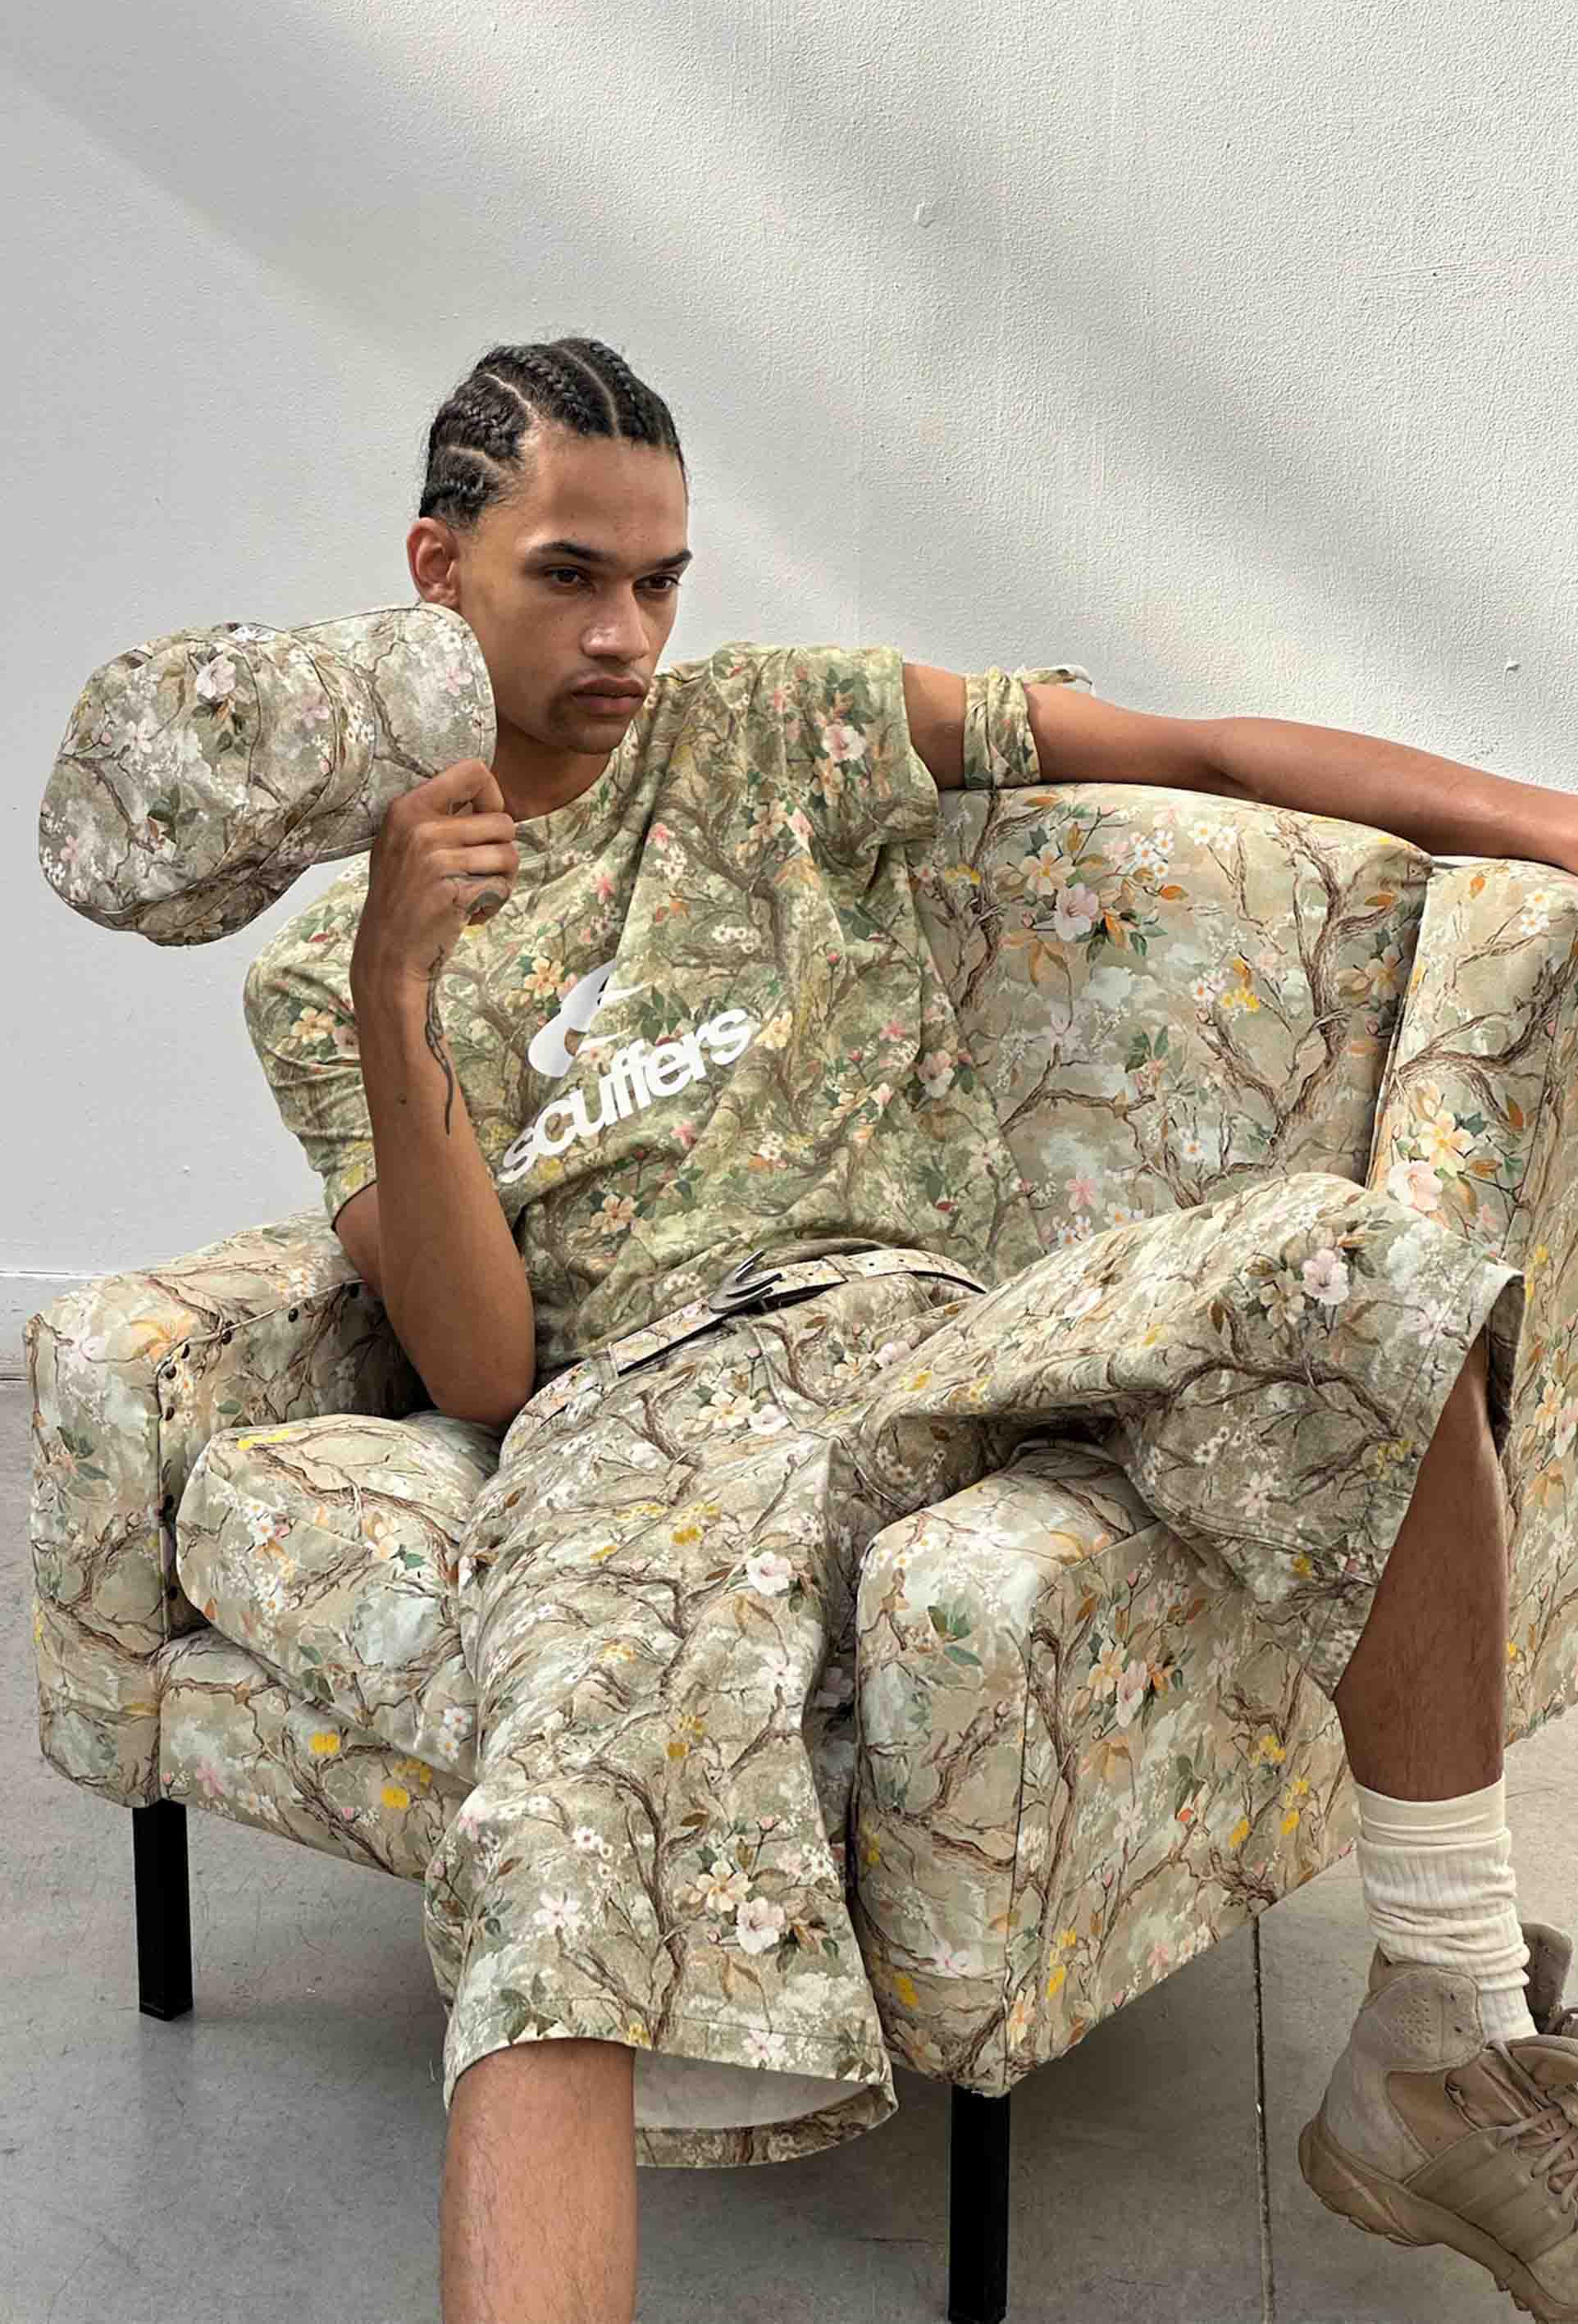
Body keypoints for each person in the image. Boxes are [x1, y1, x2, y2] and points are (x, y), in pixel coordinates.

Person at [235, 335, 1578, 2324]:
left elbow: (1199, 756)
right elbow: (484, 1370)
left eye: (659, 581)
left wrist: (1556, 821)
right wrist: (394, 989)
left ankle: (1442, 2034)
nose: (623, 637)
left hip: (941, 1315)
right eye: (567, 577)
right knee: (560, 1851)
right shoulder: (323, 980)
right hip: (648, 1408)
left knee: (1352, 1270)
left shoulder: (772, 734)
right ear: (436, 569)